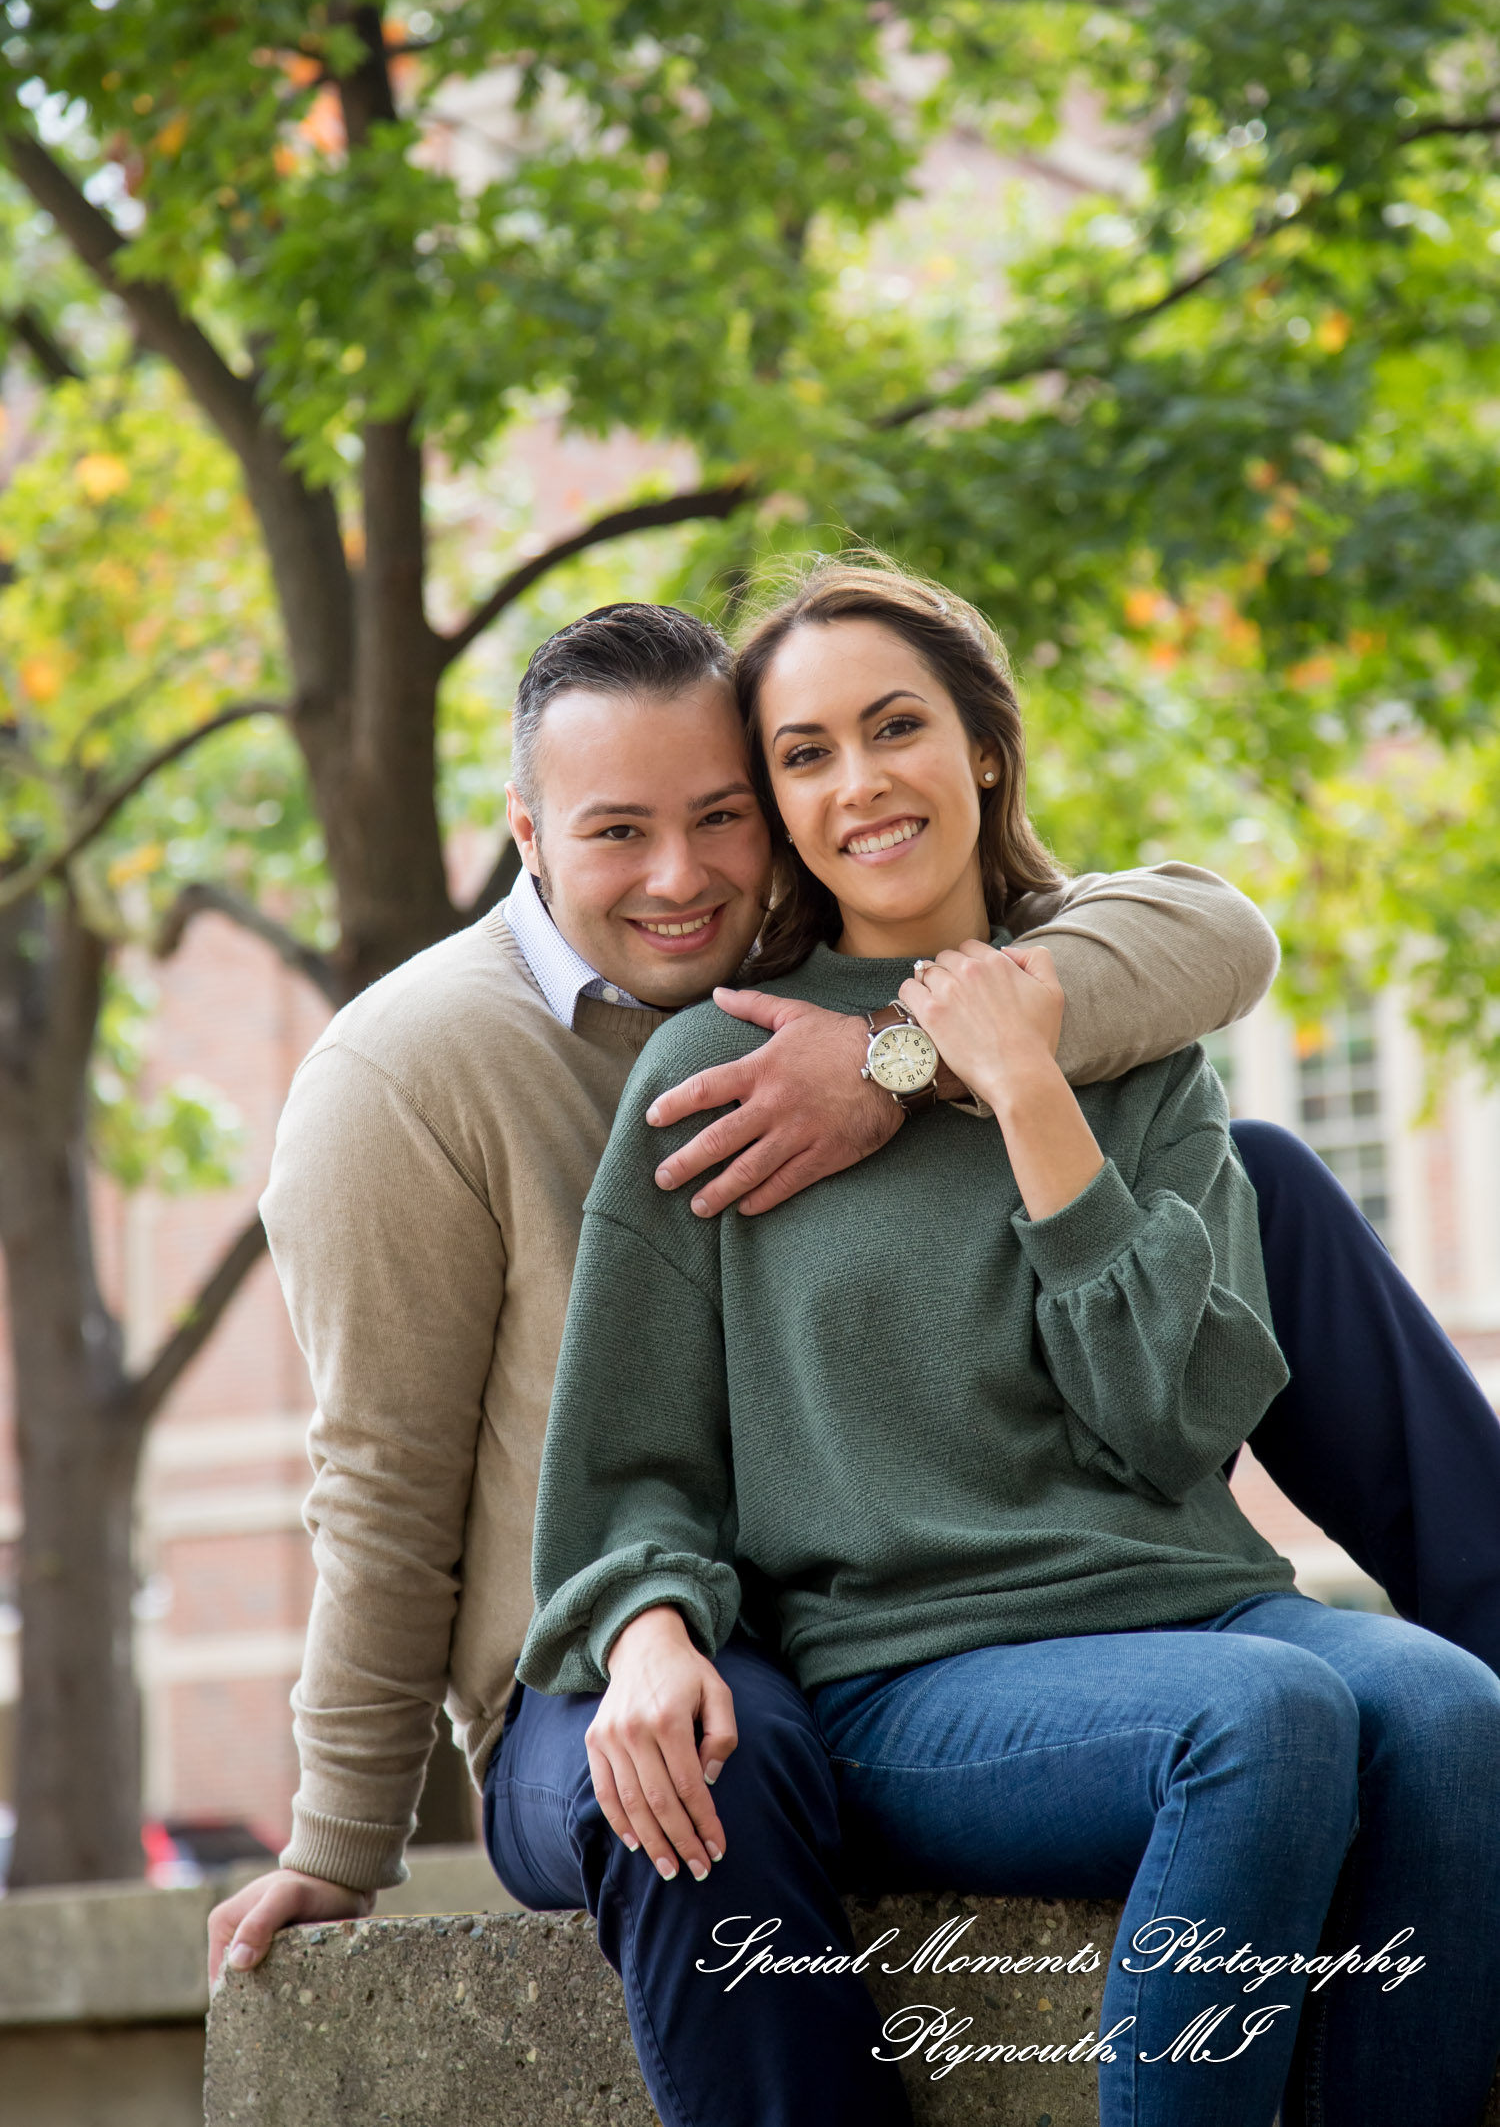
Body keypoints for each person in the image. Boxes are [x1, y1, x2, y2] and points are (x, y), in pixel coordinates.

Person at [208, 599, 1500, 2126]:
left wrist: (969, 1067)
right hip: (719, 1653)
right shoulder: (508, 1074)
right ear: (530, 835)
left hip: (1141, 1585)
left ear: (984, 752)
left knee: (1448, 1709)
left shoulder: (1055, 1023)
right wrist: (342, 1833)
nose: (683, 873)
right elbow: (409, 1473)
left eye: (723, 814)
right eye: (801, 755)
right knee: (776, 1763)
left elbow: (1212, 947)